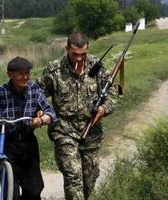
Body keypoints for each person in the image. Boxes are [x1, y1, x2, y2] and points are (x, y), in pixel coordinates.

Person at [37, 33, 116, 200]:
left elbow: (112, 94)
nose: (80, 58)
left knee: (90, 178)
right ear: (67, 49)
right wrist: (41, 110)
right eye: (75, 54)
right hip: (64, 132)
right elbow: (38, 94)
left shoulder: (97, 67)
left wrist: (103, 109)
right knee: (74, 177)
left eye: (83, 54)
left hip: (91, 132)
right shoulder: (54, 70)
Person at [0, 56, 57, 200]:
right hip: (6, 143)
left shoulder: (34, 90)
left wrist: (43, 119)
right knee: (11, 193)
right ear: (10, 74)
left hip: (28, 144)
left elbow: (50, 112)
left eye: (28, 73)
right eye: (21, 73)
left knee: (34, 191)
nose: (25, 77)